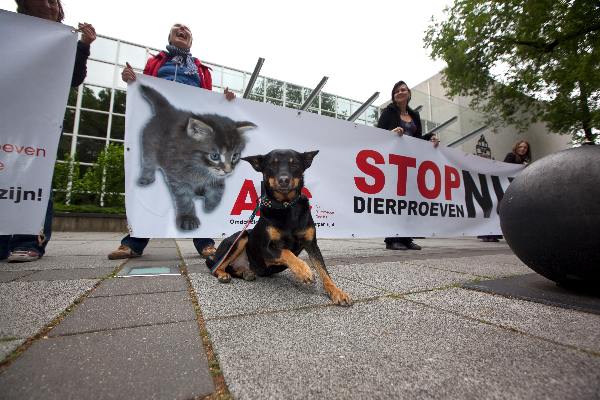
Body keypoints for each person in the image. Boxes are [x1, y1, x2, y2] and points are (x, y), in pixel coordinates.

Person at [107, 23, 235, 260]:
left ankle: (206, 243)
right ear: (170, 36)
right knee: (151, 188)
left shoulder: (201, 71)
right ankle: (133, 243)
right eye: (178, 27)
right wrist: (132, 80)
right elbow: (144, 88)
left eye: (187, 29)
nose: (182, 30)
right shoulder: (157, 62)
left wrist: (225, 99)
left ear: (191, 40)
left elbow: (207, 102)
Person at [0, 0, 96, 263]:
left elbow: (74, 78)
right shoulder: (9, 28)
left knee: (36, 174)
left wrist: (83, 47)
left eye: (54, 0)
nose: (49, 5)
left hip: (40, 119)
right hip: (8, 113)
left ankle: (29, 239)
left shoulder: (63, 39)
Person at [377, 80, 438, 251]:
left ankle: (406, 238)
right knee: (395, 201)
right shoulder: (388, 112)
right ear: (393, 95)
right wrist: (391, 134)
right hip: (393, 162)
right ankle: (392, 239)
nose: (400, 92)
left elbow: (417, 140)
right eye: (397, 91)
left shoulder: (415, 116)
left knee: (409, 201)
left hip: (411, 164)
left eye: (403, 90)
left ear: (409, 94)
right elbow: (377, 134)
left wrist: (430, 138)